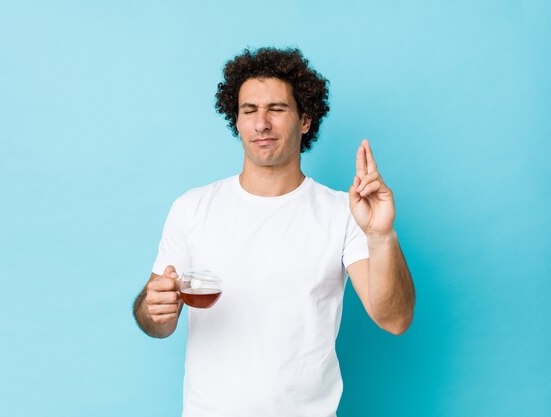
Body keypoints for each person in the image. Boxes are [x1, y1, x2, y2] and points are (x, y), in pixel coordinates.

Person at [133, 47, 415, 417]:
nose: (261, 123)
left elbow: (394, 319)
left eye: (277, 109)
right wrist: (155, 311)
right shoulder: (192, 208)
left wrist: (381, 235)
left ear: (305, 120)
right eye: (249, 110)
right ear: (236, 120)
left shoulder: (342, 213)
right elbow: (154, 321)